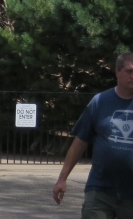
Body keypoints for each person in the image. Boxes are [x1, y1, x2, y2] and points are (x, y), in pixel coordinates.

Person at [53, 52, 133, 217]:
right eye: (129, 71)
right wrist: (62, 178)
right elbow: (80, 142)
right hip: (100, 189)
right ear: (117, 72)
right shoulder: (100, 102)